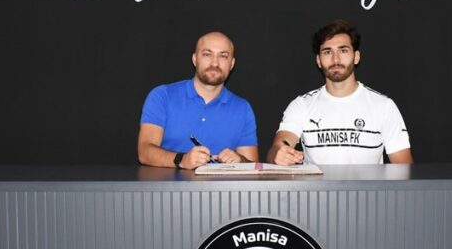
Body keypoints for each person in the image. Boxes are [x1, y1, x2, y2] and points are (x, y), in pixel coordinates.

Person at [267, 19, 413, 165]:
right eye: (327, 52)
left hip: (368, 182)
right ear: (318, 60)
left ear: (356, 57)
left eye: (343, 50)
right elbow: (278, 146)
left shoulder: (383, 106)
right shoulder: (302, 105)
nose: (335, 59)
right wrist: (279, 153)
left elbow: (404, 168)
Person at [138, 32, 259, 169]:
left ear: (231, 64)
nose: (215, 63)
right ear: (195, 59)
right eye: (207, 54)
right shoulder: (162, 96)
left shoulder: (242, 108)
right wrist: (182, 160)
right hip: (167, 183)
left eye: (223, 56)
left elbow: (253, 166)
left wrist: (240, 161)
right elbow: (144, 152)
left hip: (221, 184)